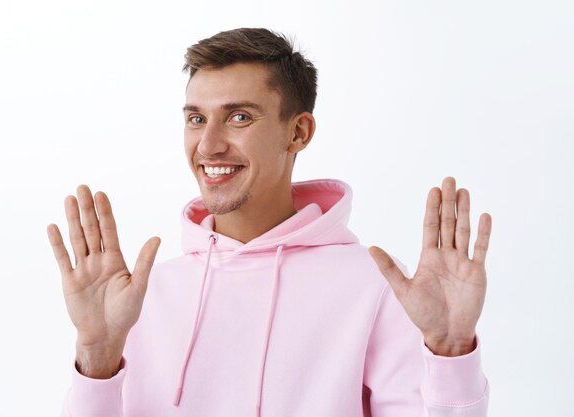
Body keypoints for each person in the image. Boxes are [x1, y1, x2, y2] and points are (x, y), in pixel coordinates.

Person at [47, 28, 493, 417]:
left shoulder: (375, 286)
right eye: (196, 119)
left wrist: (451, 352)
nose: (209, 144)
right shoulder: (139, 297)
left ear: (297, 132)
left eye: (239, 117)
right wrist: (97, 357)